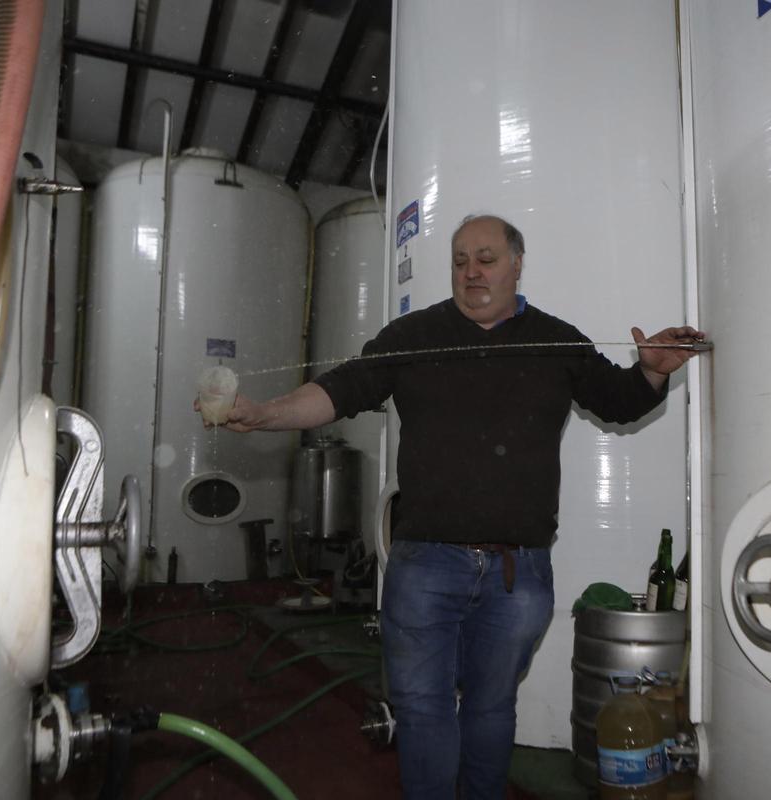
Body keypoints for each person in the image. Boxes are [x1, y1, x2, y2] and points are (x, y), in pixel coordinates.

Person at [207, 214, 704, 799]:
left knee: (492, 707)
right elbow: (337, 392)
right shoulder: (413, 336)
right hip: (424, 565)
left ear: (517, 264)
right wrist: (264, 414)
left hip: (518, 572)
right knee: (421, 708)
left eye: (486, 259)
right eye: (460, 260)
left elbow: (618, 402)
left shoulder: (557, 341)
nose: (471, 273)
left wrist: (649, 371)